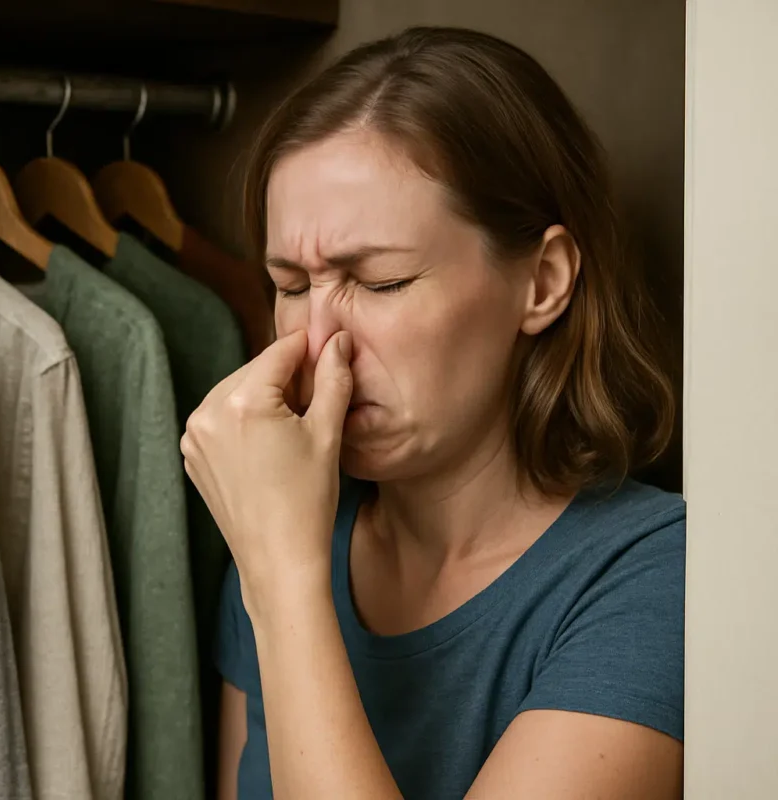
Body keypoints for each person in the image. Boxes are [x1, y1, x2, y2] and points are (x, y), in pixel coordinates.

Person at [180, 26, 684, 800]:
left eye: (379, 283)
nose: (319, 343)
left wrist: (282, 575)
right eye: (289, 285)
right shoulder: (286, 528)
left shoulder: (659, 580)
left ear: (543, 282)